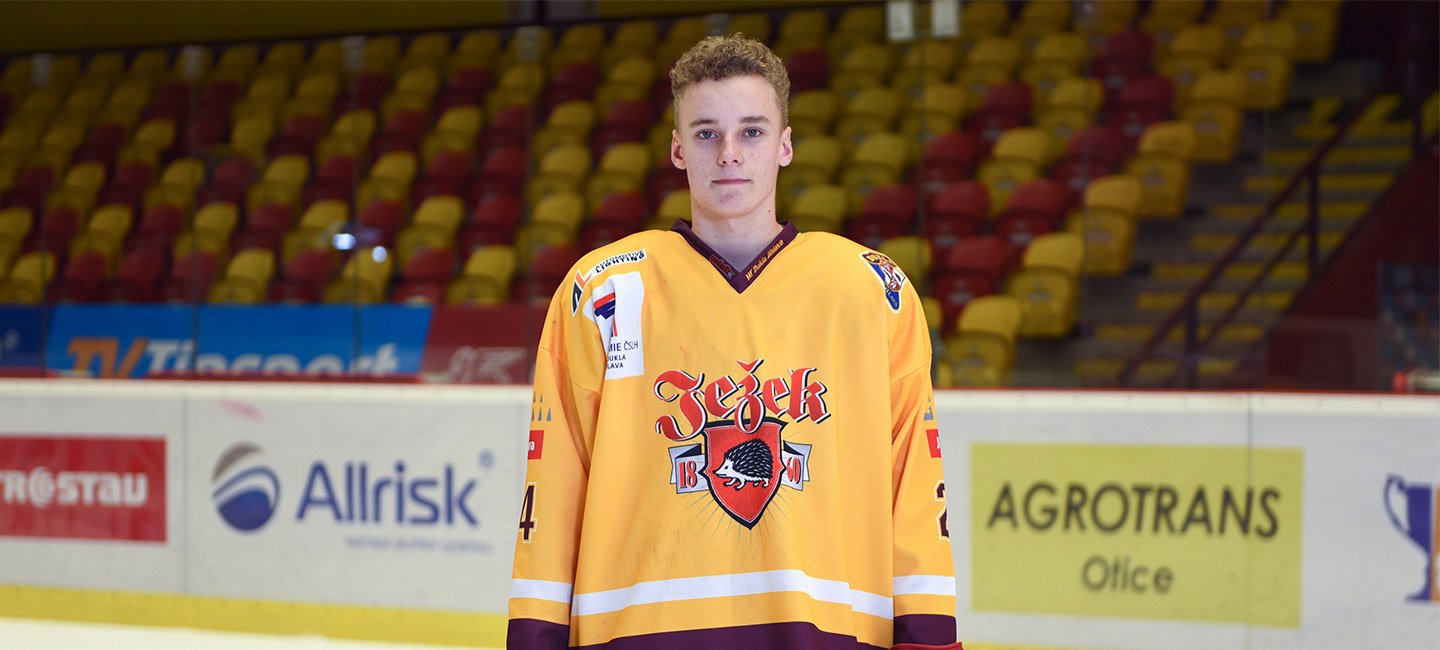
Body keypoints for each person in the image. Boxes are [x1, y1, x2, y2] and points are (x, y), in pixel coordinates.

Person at [508, 33, 962, 650]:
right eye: (706, 134)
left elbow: (916, 484)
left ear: (785, 145)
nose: (728, 154)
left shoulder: (870, 290)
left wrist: (930, 638)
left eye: (751, 132)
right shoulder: (602, 290)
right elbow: (553, 490)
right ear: (677, 149)